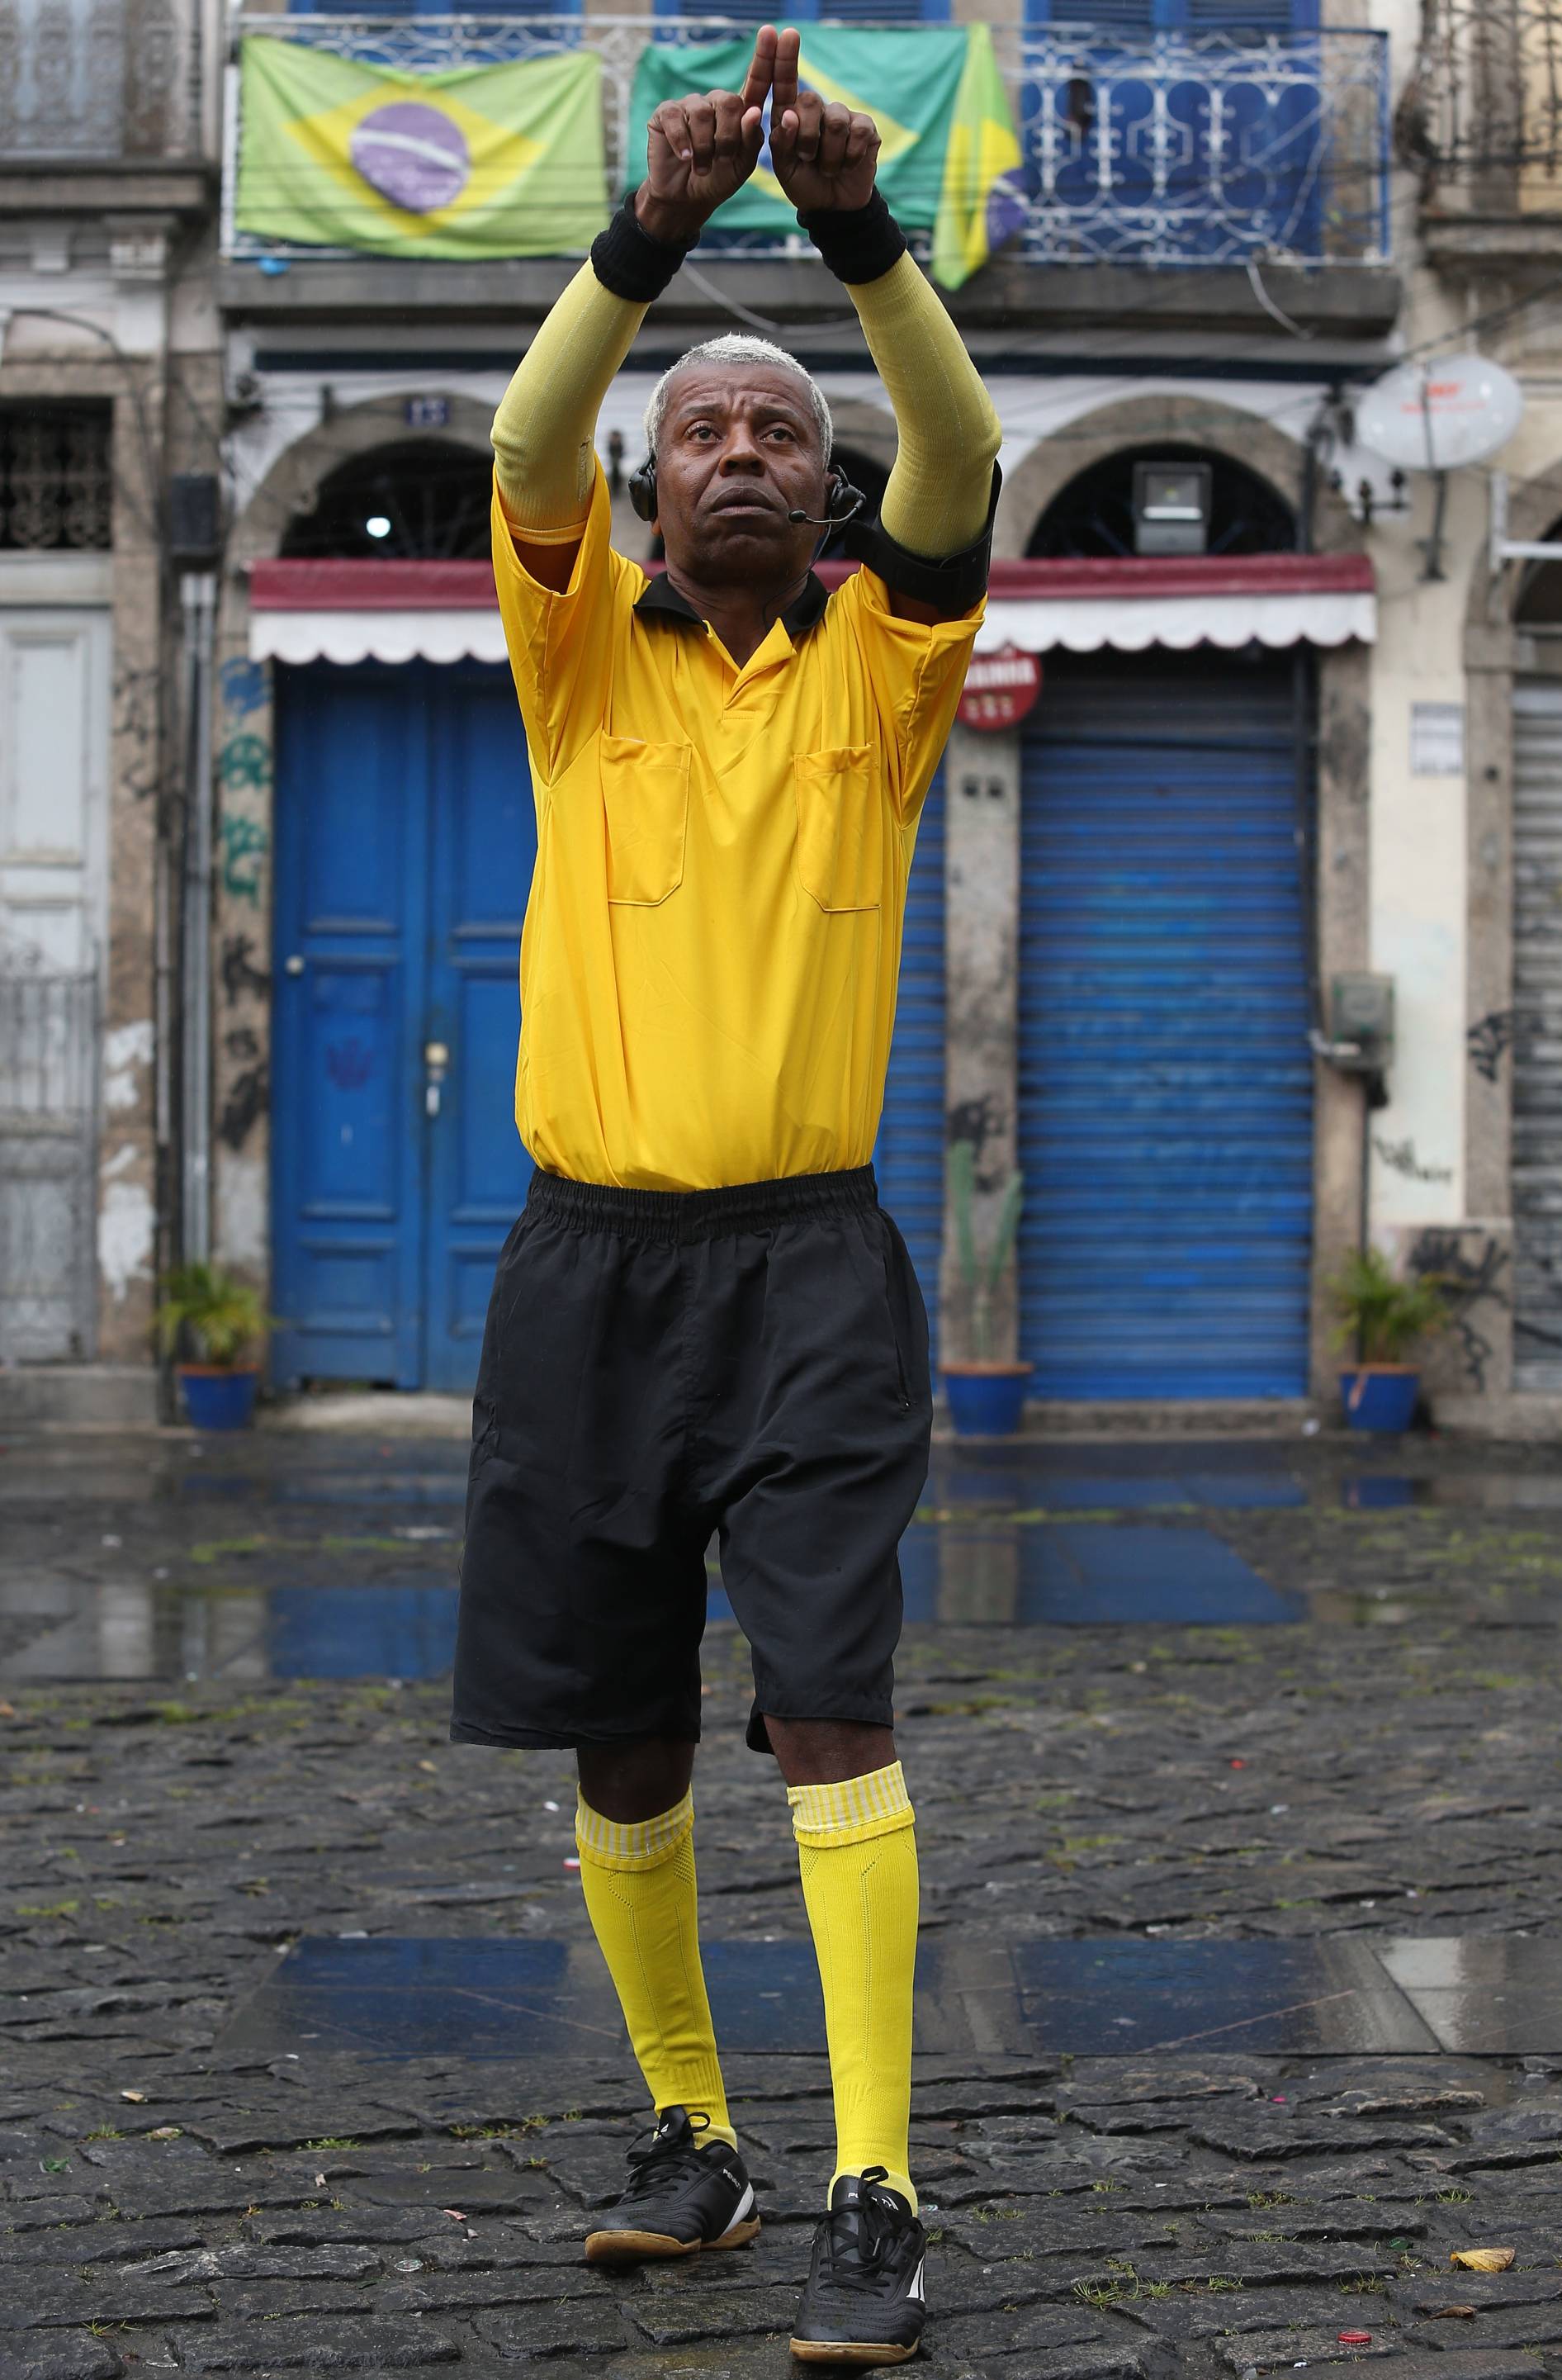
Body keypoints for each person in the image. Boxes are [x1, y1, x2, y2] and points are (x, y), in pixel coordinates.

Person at [451, 24, 1000, 2364]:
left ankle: (877, 2174)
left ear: (825, 480)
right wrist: (655, 228)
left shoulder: (882, 670)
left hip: (809, 1266)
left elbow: (962, 447)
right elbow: (514, 436)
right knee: (619, 1728)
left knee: (829, 1705)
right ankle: (700, 2133)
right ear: (655, 492)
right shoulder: (578, 660)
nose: (753, 447)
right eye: (712, 428)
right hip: (587, 1266)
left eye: (786, 426)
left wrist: (853, 230)